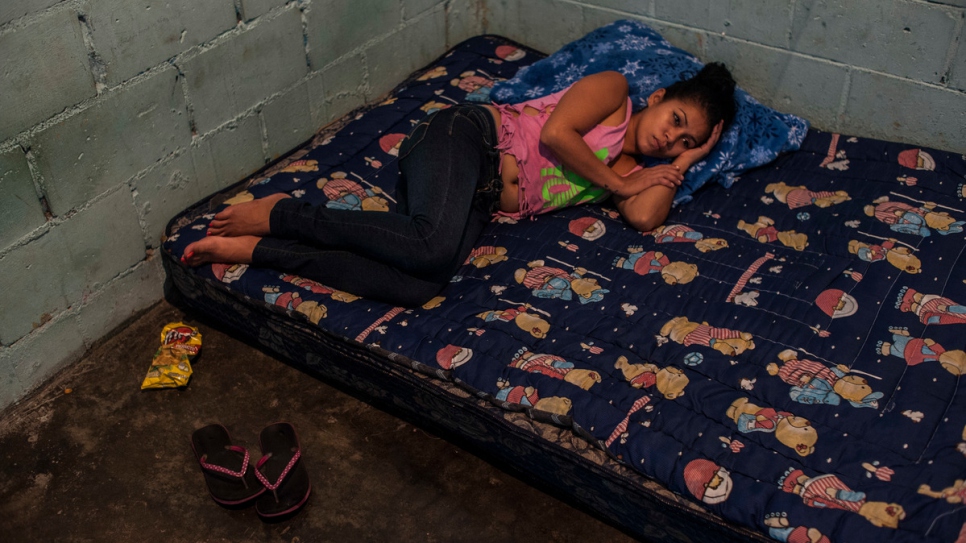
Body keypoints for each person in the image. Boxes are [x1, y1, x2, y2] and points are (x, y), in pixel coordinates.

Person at [182, 63, 737, 306]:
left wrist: (686, 165)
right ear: (660, 99)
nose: (673, 139)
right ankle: (287, 214)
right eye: (677, 121)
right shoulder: (615, 92)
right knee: (429, 243)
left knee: (419, 285)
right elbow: (561, 136)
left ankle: (260, 250)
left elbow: (645, 217)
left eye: (686, 141)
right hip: (466, 138)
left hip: (478, 195)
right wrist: (619, 185)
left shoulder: (638, 176)